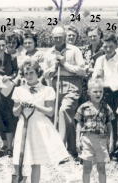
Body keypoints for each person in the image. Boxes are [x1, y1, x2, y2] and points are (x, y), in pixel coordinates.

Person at [11, 60, 68, 183]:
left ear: (38, 73)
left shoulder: (47, 90)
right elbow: (15, 113)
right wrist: (21, 107)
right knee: (19, 160)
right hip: (23, 125)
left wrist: (36, 105)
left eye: (32, 73)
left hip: (38, 126)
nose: (29, 76)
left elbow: (50, 112)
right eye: (26, 73)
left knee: (35, 162)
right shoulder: (19, 90)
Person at [46, 26, 86, 161]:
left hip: (73, 84)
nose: (57, 40)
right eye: (55, 37)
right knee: (62, 117)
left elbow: (82, 71)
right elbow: (45, 73)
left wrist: (65, 65)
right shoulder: (49, 52)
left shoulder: (74, 50)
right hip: (55, 84)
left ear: (64, 37)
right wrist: (54, 68)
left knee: (64, 111)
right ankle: (72, 150)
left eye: (60, 37)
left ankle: (61, 149)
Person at [75, 78, 114, 183]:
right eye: (95, 91)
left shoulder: (106, 108)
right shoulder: (83, 107)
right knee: (87, 167)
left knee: (101, 167)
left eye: (100, 92)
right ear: (89, 92)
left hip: (101, 140)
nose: (98, 94)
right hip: (87, 139)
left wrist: (111, 140)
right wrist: (78, 139)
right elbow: (79, 124)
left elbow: (109, 125)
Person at [92, 35, 118, 155]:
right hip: (101, 93)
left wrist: (104, 81)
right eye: (105, 46)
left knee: (114, 122)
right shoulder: (100, 60)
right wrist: (100, 80)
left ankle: (116, 150)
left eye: (111, 47)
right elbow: (95, 77)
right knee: (101, 120)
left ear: (116, 46)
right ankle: (103, 149)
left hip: (115, 94)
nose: (108, 49)